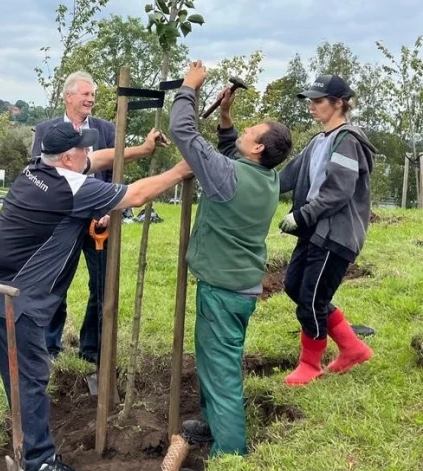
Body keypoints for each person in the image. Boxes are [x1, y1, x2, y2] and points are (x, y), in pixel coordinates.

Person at [0, 121, 191, 471]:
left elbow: (97, 160)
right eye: (83, 150)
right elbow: (136, 195)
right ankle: (40, 460)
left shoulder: (36, 169)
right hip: (13, 293)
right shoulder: (74, 190)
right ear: (68, 159)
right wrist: (181, 169)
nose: (89, 153)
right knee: (30, 375)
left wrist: (139, 150)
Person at [169, 60, 293, 457]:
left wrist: (189, 88)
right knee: (218, 361)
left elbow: (183, 132)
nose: (247, 128)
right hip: (242, 286)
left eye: (252, 130)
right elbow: (229, 156)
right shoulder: (267, 177)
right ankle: (213, 426)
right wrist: (225, 118)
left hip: (222, 291)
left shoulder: (228, 176)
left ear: (257, 147)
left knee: (220, 372)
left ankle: (230, 456)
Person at [279, 75, 376, 386]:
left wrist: (301, 216)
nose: (311, 106)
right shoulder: (319, 141)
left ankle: (310, 364)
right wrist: (248, 180)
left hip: (336, 233)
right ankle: (352, 347)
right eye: (310, 100)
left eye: (318, 101)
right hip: (315, 231)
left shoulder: (347, 141)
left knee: (311, 298)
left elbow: (337, 192)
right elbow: (286, 177)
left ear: (339, 103)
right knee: (295, 286)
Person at [31, 71, 115, 363]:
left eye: (93, 95)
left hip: (99, 223)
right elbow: (37, 172)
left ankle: (91, 349)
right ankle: (50, 347)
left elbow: (115, 171)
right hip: (61, 221)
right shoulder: (46, 130)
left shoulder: (106, 130)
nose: (91, 99)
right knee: (55, 281)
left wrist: (109, 211)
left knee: (102, 284)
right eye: (85, 94)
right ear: (69, 97)